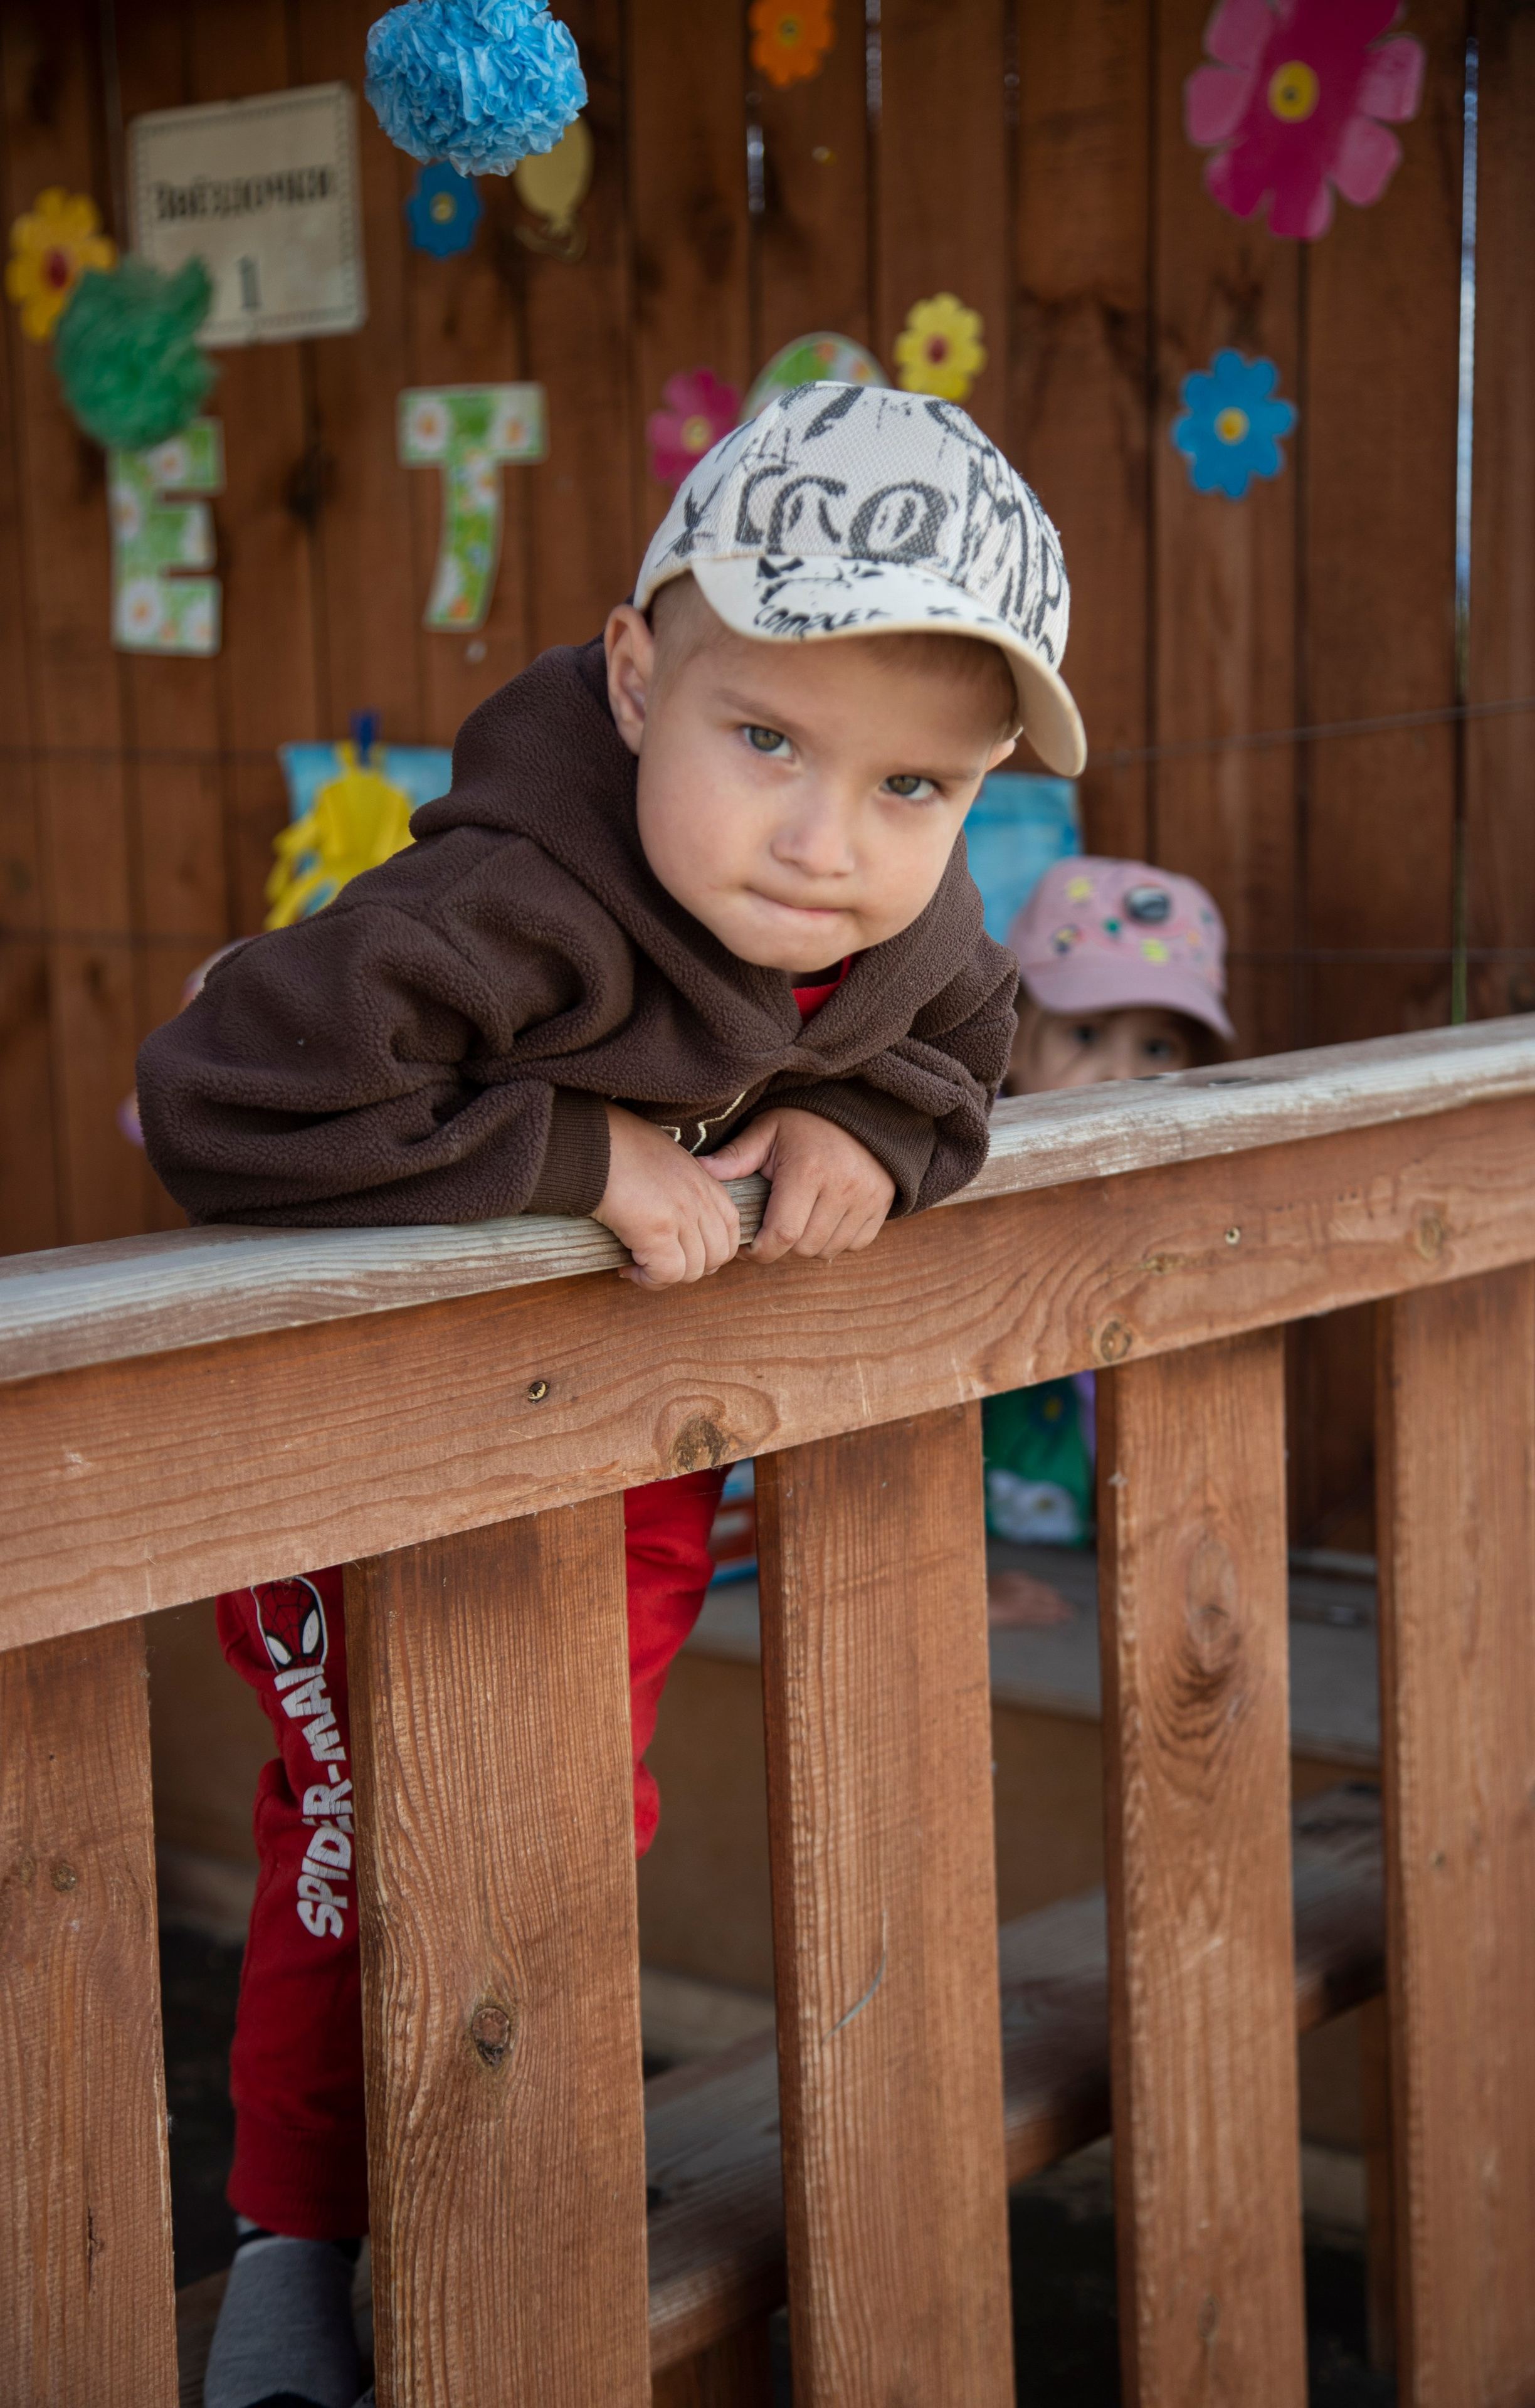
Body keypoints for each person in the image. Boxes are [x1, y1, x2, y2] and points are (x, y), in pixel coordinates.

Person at [136, 383, 1087, 2408]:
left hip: (607, 1468)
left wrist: (870, 1131)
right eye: (768, 743)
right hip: (360, 1461)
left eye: (917, 788)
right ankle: (297, 2242)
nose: (831, 845)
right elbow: (212, 1088)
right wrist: (586, 1161)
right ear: (639, 674)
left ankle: (481, 2199)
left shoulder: (900, 925)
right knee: (367, 1838)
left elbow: (967, 1053)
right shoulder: (512, 898)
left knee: (569, 1825)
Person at [984, 855, 1232, 1627]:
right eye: (1086, 1034)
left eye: (1158, 1051)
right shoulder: (963, 1185)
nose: (1120, 1075)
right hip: (975, 1545)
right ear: (1013, 1043)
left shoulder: (1192, 1205)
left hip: (1130, 1558)